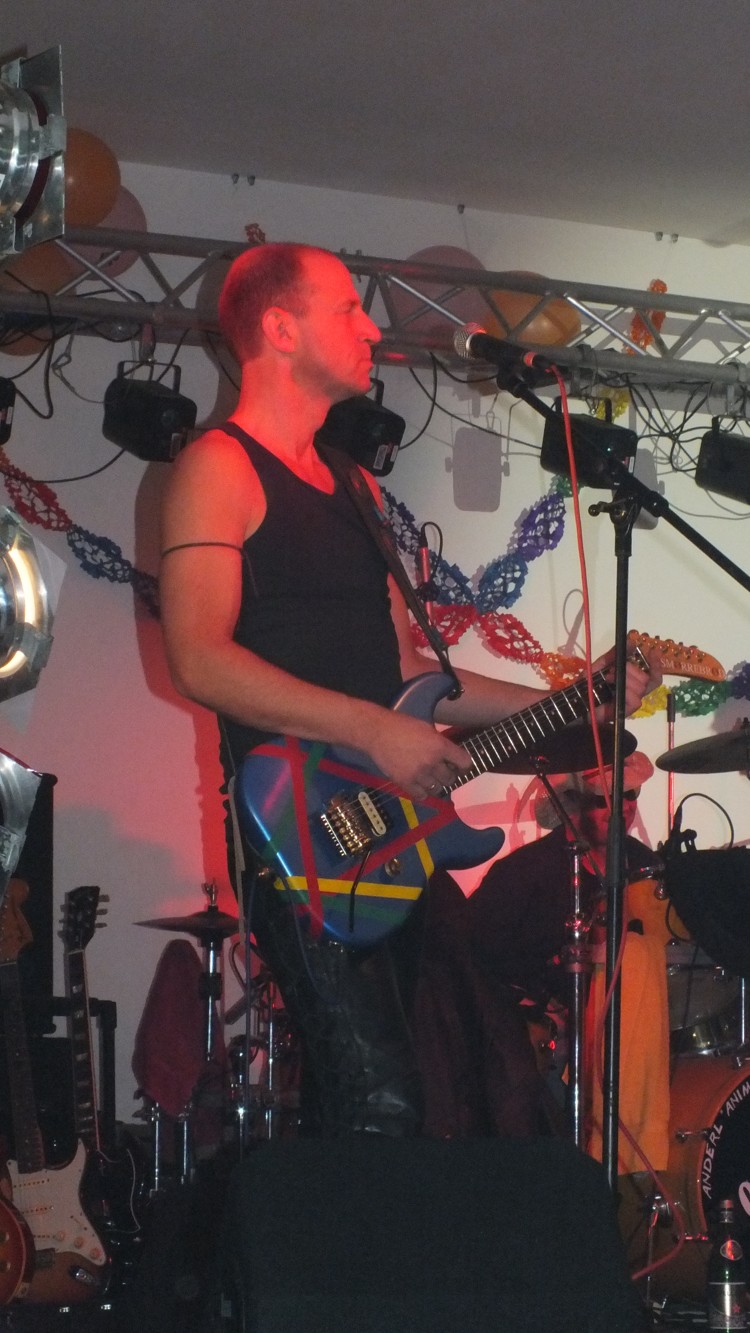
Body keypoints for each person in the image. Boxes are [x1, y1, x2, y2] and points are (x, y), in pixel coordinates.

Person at [158, 240, 659, 1139]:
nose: (371, 328)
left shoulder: (352, 487)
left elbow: (414, 676)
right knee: (379, 1103)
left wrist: (578, 701)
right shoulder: (219, 466)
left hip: (395, 836)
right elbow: (198, 657)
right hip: (301, 829)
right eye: (347, 308)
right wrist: (371, 730)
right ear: (280, 328)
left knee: (474, 1085)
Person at [464, 750, 671, 1171]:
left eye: (630, 795)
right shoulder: (523, 872)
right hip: (554, 1033)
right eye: (604, 799)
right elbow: (474, 956)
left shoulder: (646, 868)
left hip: (633, 1034)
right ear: (572, 804)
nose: (622, 807)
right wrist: (539, 1007)